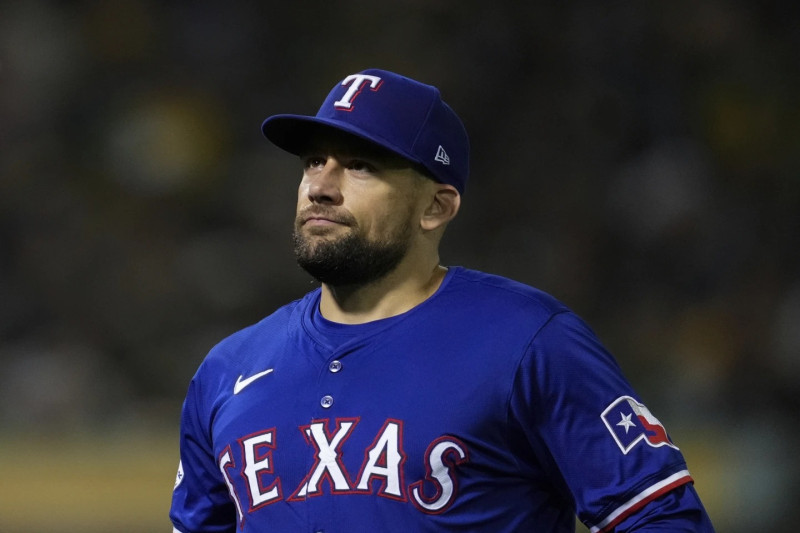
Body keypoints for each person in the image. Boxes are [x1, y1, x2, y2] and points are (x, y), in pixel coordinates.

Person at [170, 68, 715, 532]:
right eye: (315, 162)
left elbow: (659, 516)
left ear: (436, 206)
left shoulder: (527, 341)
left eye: (360, 165)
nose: (321, 186)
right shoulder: (227, 370)